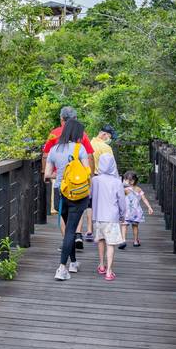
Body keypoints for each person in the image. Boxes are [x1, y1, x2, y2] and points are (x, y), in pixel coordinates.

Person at [42, 107, 94, 249]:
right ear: (75, 119)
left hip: (61, 181)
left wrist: (45, 173)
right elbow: (89, 155)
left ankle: (67, 241)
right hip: (79, 180)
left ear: (61, 118)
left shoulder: (54, 134)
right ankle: (77, 234)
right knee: (78, 206)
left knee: (63, 211)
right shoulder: (81, 134)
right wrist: (90, 176)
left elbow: (46, 155)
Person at [44, 118, 90, 280]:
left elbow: (47, 174)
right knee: (71, 230)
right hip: (77, 195)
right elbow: (87, 171)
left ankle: (74, 262)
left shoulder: (54, 149)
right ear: (77, 133)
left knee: (68, 229)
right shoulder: (80, 149)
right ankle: (62, 268)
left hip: (60, 194)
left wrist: (61, 175)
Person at [91, 152, 127, 281]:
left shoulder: (94, 180)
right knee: (110, 243)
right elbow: (122, 201)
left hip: (98, 216)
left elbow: (90, 196)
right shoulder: (117, 182)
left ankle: (101, 265)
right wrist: (123, 214)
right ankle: (109, 271)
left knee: (101, 240)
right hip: (112, 217)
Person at [84, 125, 116, 242]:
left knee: (90, 204)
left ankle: (89, 230)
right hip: (103, 178)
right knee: (103, 204)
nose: (109, 139)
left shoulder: (89, 144)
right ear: (104, 134)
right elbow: (112, 167)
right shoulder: (106, 148)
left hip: (89, 178)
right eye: (109, 136)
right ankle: (102, 231)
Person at [121, 171, 154, 249]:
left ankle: (123, 240)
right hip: (136, 211)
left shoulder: (125, 190)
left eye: (125, 179)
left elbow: (119, 198)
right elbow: (144, 199)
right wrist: (149, 207)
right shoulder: (138, 189)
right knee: (135, 226)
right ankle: (135, 241)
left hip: (127, 211)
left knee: (124, 225)